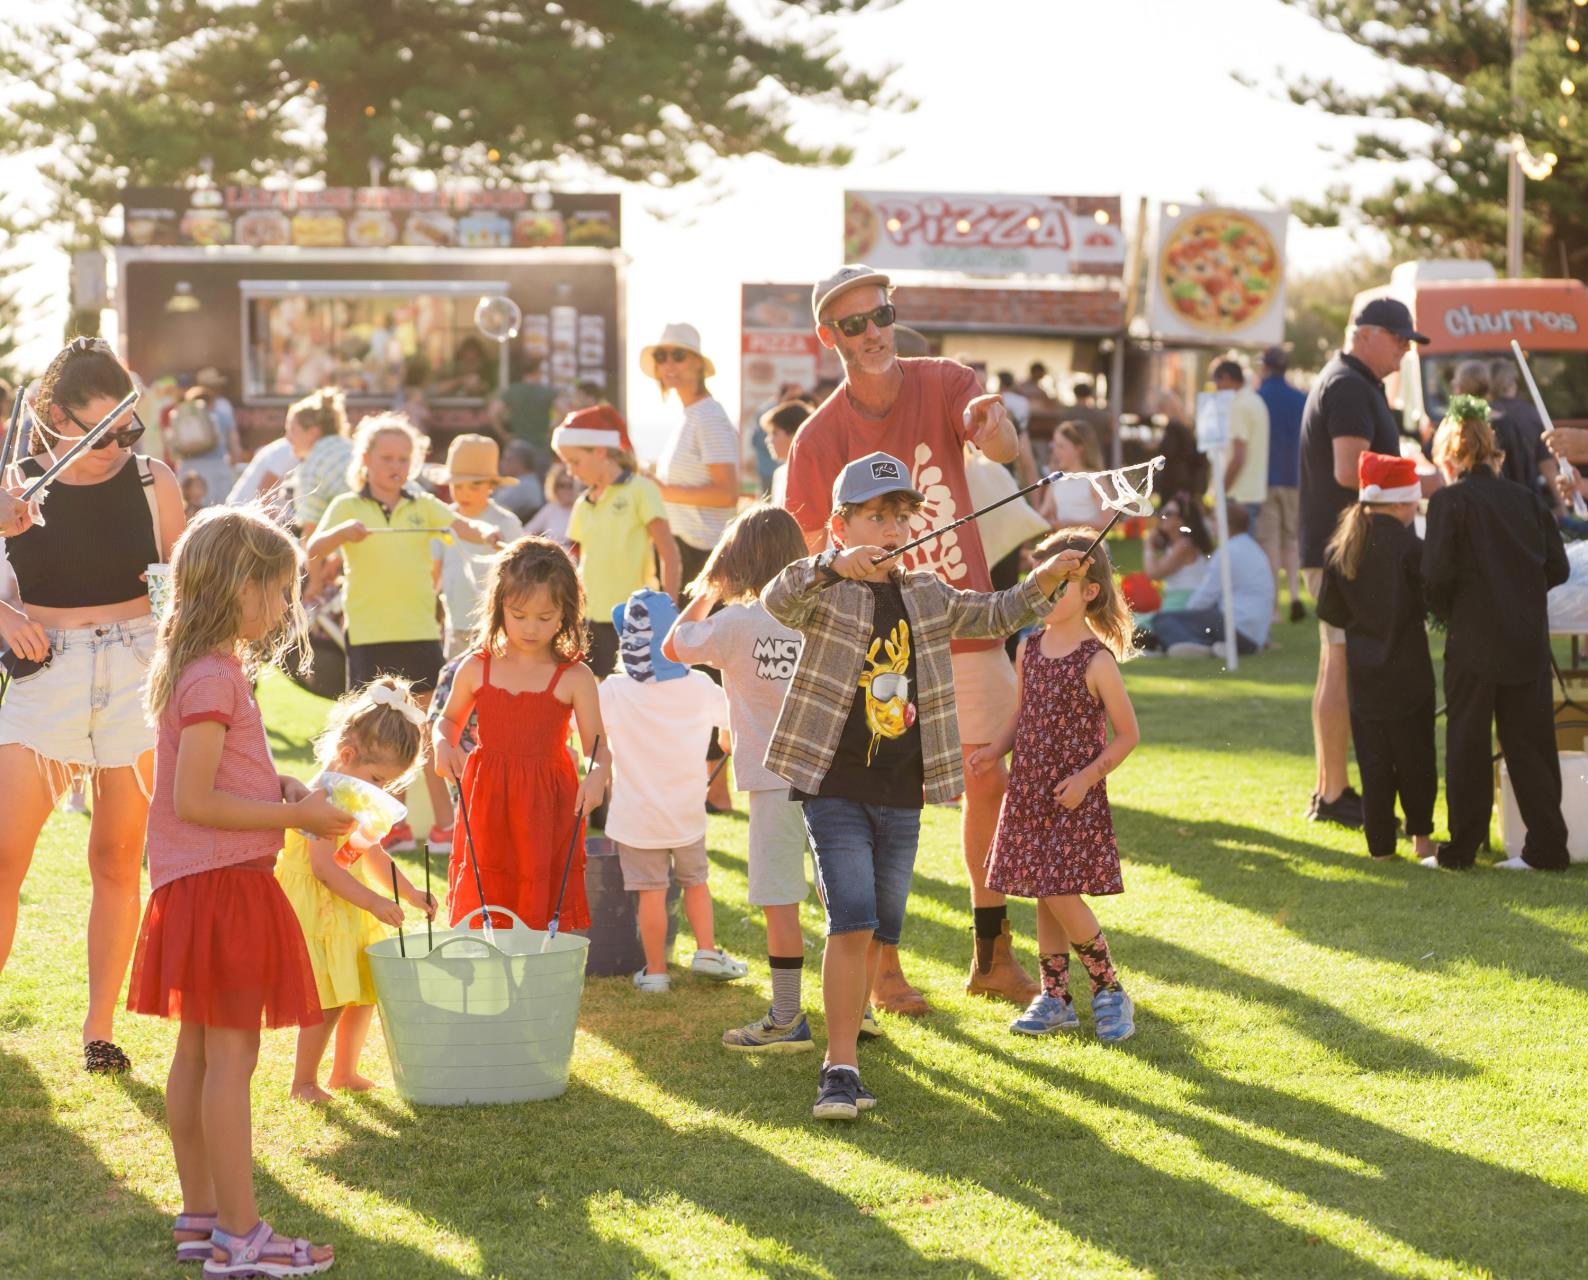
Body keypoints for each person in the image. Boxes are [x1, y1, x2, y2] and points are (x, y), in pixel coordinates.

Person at [762, 451, 1088, 1120]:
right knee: (850, 919)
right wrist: (830, 563)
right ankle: (839, 1068)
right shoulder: (823, 588)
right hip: (833, 782)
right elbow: (778, 598)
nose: (890, 529)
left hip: (901, 789)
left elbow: (995, 613)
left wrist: (1044, 580)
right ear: (842, 522)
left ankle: (848, 1048)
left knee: (879, 922)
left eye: (900, 518)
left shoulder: (928, 593)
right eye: (874, 516)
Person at [781, 264, 1035, 1017]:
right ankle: (886, 968)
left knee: (991, 780)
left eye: (881, 315)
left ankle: (992, 955)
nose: (872, 333)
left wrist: (997, 426)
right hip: (879, 651)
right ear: (830, 337)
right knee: (889, 801)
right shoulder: (818, 436)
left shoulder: (944, 380)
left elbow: (1002, 445)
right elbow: (801, 553)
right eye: (853, 324)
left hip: (963, 624)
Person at [125, 506, 353, 1273]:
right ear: (242, 587)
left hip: (195, 885)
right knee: (231, 1059)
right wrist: (296, 814)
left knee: (196, 1055)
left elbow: (216, 779)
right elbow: (194, 798)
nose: (287, 608)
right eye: (282, 591)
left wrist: (276, 783)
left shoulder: (202, 668)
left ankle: (201, 1218)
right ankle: (242, 1237)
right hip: (224, 887)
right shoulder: (216, 674)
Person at [0, 338, 185, 1074]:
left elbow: (180, 586)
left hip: (137, 668)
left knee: (115, 857)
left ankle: (99, 1029)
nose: (114, 446)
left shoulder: (152, 480)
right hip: (49, 673)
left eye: (126, 429)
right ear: (52, 417)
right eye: (96, 432)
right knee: (5, 858)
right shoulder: (13, 485)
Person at [306, 413, 504, 854]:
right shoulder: (347, 507)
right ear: (366, 460)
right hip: (369, 635)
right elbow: (313, 548)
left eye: (403, 459)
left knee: (428, 733)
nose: (395, 466)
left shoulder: (422, 505)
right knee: (375, 737)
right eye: (386, 458)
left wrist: (487, 532)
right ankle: (384, 826)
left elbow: (461, 526)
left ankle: (443, 826)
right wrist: (341, 533)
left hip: (418, 633)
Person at [974, 529, 1139, 1042]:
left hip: (1071, 797)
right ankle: (1056, 997)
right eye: (1041, 584)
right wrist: (993, 750)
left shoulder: (1097, 661)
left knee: (1062, 893)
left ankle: (1109, 988)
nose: (1046, 596)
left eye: (1060, 586)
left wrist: (1087, 777)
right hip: (1030, 792)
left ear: (1090, 591)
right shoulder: (1028, 648)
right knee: (1046, 894)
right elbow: (1022, 715)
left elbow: (1128, 735)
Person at [662, 504, 815, 1048]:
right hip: (832, 776)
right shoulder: (822, 614)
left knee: (780, 898)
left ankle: (787, 1015)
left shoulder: (733, 624)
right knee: (845, 897)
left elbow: (673, 645)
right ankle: (859, 1007)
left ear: (735, 564)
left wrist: (706, 590)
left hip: (773, 778)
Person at [1422, 398, 1570, 871]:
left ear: (1452, 457)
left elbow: (1435, 575)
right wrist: (1521, 594)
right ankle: (1548, 845)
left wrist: (1454, 611)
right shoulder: (1526, 498)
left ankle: (1462, 848)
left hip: (1473, 638)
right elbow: (1558, 566)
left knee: (1467, 742)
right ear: (1493, 453)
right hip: (1524, 636)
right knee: (1532, 744)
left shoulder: (1450, 501)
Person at [433, 536, 611, 926]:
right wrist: (442, 742)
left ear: (566, 614)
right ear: (499, 607)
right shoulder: (476, 667)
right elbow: (447, 721)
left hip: (547, 804)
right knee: (487, 895)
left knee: (538, 899)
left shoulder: (575, 677)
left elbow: (596, 745)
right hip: (488, 799)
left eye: (545, 618)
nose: (531, 628)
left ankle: (536, 974)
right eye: (519, 615)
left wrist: (597, 773)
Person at [1298, 298, 1428, 827]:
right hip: (1343, 552)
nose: (1405, 350)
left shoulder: (1354, 382)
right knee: (1341, 662)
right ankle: (1332, 794)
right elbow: (1351, 469)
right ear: (1366, 334)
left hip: (1340, 549)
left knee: (1339, 662)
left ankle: (1331, 788)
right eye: (1399, 339)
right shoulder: (1349, 384)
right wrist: (1422, 478)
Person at [277, 677, 435, 1103]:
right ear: (347, 756)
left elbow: (372, 852)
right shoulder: (326, 796)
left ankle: (344, 1071)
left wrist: (410, 894)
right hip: (317, 904)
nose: (380, 791)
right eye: (378, 779)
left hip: (347, 901)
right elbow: (324, 868)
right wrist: (376, 902)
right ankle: (304, 1081)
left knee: (363, 987)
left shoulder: (354, 793)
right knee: (327, 997)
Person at [600, 588, 745, 992]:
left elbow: (584, 731)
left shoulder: (613, 691)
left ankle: (657, 972)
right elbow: (734, 717)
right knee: (695, 882)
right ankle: (707, 950)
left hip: (634, 817)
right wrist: (728, 737)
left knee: (651, 893)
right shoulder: (699, 686)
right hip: (686, 814)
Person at [1315, 453, 1436, 862]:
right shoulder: (1413, 549)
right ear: (1404, 503)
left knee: (1374, 761)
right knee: (1416, 757)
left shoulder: (1342, 548)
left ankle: (1380, 846)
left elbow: (1330, 612)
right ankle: (1421, 838)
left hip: (1364, 672)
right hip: (1411, 669)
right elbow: (1431, 603)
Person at [556, 405, 680, 678]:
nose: (570, 472)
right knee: (597, 695)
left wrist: (670, 610)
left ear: (600, 451)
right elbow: (575, 559)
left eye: (575, 461)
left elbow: (668, 551)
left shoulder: (641, 490)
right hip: (590, 618)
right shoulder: (582, 503)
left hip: (634, 617)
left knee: (637, 691)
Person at [642, 322, 739, 586]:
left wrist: (662, 490)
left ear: (698, 363)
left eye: (678, 355)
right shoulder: (692, 416)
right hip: (687, 552)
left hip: (704, 555)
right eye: (661, 357)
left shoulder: (708, 416)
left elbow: (727, 493)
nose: (669, 364)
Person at [1137, 502, 1275, 659]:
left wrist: (1184, 618)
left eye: (1215, 520)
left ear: (1225, 524)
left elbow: (1204, 598)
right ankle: (1211, 646)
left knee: (1163, 621)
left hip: (1234, 627)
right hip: (1254, 636)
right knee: (1176, 620)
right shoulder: (1253, 548)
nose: (1211, 524)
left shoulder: (1226, 552)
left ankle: (1190, 645)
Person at [431, 435, 524, 658]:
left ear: (491, 485)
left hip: (495, 626)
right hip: (456, 624)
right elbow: (434, 571)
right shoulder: (443, 519)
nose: (465, 493)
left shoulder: (505, 522)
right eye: (458, 485)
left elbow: (520, 575)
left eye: (475, 485)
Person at [1255, 346, 1308, 623]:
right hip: (1296, 477)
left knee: (1270, 543)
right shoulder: (1302, 398)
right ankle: (1297, 597)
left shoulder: (1258, 398)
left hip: (1266, 478)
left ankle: (1274, 606)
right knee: (1291, 540)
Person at [1212, 358, 1269, 525]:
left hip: (1239, 495)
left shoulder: (1238, 405)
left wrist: (1221, 492)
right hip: (1253, 493)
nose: (1216, 388)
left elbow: (1238, 457)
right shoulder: (1255, 401)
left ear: (1227, 378)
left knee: (1234, 550)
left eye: (1217, 382)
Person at [168, 376, 240, 508]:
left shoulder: (179, 416)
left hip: (187, 468)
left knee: (189, 512)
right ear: (212, 402)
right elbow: (235, 450)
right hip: (216, 467)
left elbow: (172, 447)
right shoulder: (222, 416)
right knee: (219, 512)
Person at [1488, 358, 1550, 496]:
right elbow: (1546, 463)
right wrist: (1563, 508)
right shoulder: (1531, 414)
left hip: (1496, 494)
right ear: (1513, 383)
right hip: (1528, 492)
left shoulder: (1483, 414)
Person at [1143, 492, 1213, 611]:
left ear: (1183, 520)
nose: (1162, 516)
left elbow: (1153, 573)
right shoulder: (1178, 544)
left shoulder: (1184, 545)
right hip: (1179, 602)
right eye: (1162, 512)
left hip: (1185, 604)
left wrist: (1148, 545)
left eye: (1168, 513)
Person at [490, 352, 559, 469]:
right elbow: (564, 410)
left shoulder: (513, 390)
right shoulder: (546, 391)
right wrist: (551, 428)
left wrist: (504, 435)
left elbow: (493, 413)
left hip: (518, 448)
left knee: (517, 483)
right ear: (538, 370)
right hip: (540, 446)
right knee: (542, 485)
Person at [1038, 420, 1109, 528]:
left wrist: (1072, 524)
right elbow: (1043, 514)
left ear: (1078, 449)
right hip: (1065, 543)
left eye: (1061, 446)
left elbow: (1108, 522)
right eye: (1054, 446)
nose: (1055, 452)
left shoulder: (1094, 479)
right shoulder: (1056, 480)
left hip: (1089, 543)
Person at [225, 423, 299, 523]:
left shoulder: (287, 448)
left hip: (248, 516)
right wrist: (273, 528)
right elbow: (264, 493)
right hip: (244, 518)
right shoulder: (287, 450)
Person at [1154, 389, 1210, 501]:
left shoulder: (1173, 427)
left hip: (1175, 482)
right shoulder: (1188, 426)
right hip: (1187, 483)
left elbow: (1169, 452)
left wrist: (1155, 447)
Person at [760, 398, 812, 508]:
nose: (768, 440)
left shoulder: (811, 472)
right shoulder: (780, 473)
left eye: (774, 433)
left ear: (794, 434)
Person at [523, 461, 576, 549]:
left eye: (570, 486)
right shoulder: (550, 509)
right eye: (561, 485)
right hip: (553, 559)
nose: (566, 490)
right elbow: (527, 533)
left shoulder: (582, 509)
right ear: (554, 487)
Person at [495, 439, 546, 523]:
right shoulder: (522, 482)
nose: (502, 463)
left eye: (507, 459)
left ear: (518, 462)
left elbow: (493, 510)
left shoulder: (524, 486)